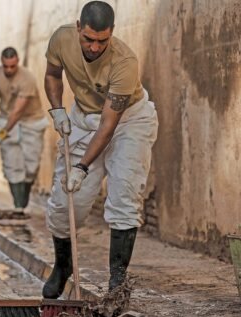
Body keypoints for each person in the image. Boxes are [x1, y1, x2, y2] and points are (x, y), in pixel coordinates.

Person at [42, 1, 158, 298]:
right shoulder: (61, 38)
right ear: (78, 27)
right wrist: (57, 110)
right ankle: (62, 267)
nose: (94, 47)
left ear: (112, 34)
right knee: (64, 203)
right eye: (88, 39)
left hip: (128, 121)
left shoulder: (124, 62)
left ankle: (116, 282)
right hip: (83, 118)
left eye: (102, 41)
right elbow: (53, 74)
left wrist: (81, 167)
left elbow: (109, 124)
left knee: (123, 198)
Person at [0, 47, 48, 210]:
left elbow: (18, 112)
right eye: (6, 66)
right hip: (6, 118)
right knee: (12, 164)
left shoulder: (28, 79)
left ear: (17, 62)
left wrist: (1, 134)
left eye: (12, 66)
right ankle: (18, 206)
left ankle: (23, 197)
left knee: (31, 167)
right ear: (2, 63)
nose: (9, 70)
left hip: (31, 121)